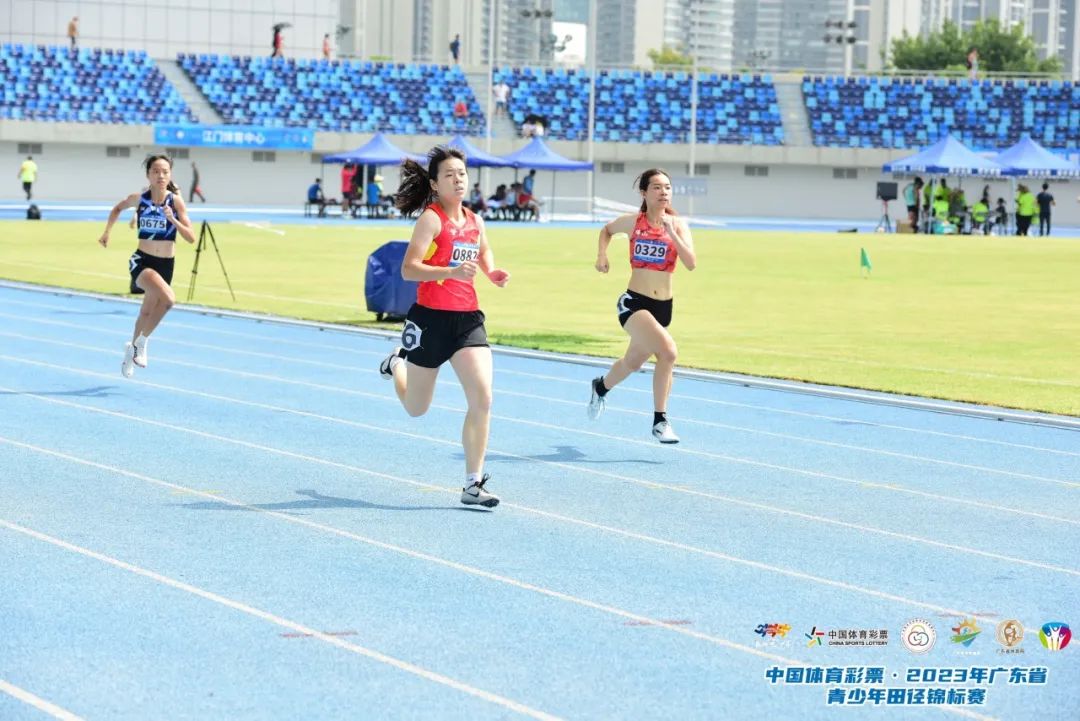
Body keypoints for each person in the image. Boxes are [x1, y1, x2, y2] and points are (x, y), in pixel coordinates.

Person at [379, 146, 510, 507]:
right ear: (435, 184)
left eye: (462, 173)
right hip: (430, 321)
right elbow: (409, 269)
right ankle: (397, 365)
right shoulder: (431, 220)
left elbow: (482, 253)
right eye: (449, 174)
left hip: (467, 321)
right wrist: (449, 272)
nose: (458, 179)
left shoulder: (475, 220)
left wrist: (492, 272)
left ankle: (473, 483)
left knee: (483, 397)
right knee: (417, 408)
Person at [588, 169, 696, 443]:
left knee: (633, 362)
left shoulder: (678, 225)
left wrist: (673, 233)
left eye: (668, 188)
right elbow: (606, 230)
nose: (664, 192)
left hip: (663, 308)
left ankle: (601, 387)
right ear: (644, 193)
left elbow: (691, 263)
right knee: (668, 353)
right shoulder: (632, 223)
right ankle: (660, 421)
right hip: (634, 304)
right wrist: (602, 255)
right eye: (657, 187)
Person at [97, 155, 196, 378]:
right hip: (142, 261)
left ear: (170, 175)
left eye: (165, 171)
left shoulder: (176, 202)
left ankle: (129, 351)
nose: (160, 175)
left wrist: (174, 221)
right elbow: (117, 208)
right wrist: (106, 232)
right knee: (169, 299)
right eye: (156, 171)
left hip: (166, 264)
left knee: (147, 311)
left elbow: (191, 238)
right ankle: (142, 343)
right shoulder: (140, 199)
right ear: (148, 175)